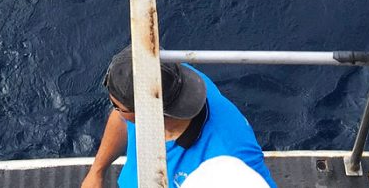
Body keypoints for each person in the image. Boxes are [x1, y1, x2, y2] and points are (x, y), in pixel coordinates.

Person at [81, 47, 276, 188]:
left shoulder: (227, 167)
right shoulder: (171, 80)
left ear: (148, 111)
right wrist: (97, 172)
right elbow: (122, 118)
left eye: (117, 106)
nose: (115, 110)